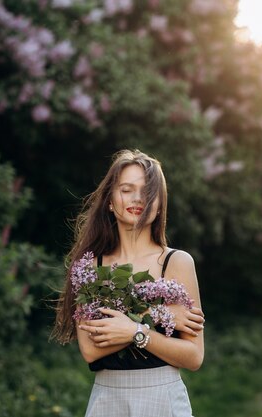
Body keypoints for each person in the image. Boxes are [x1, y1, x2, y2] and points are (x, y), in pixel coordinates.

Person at [52, 149, 205, 417]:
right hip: (107, 400)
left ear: (159, 204)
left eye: (147, 192)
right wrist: (155, 314)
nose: (137, 199)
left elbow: (193, 357)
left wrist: (136, 332)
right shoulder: (89, 267)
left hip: (163, 398)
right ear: (111, 201)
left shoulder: (177, 262)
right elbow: (90, 350)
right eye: (127, 189)